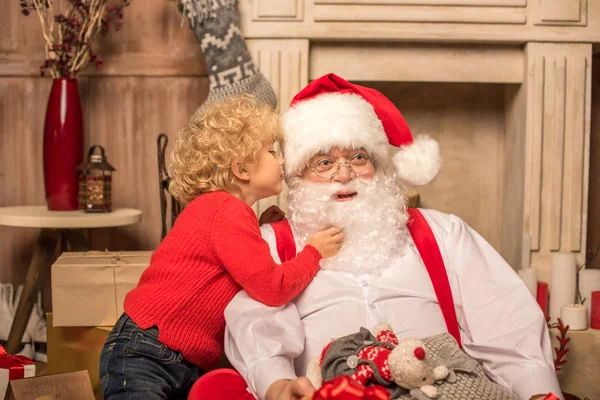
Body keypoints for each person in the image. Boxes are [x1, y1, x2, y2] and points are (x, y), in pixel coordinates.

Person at [221, 74, 563, 400]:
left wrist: (538, 391)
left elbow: (507, 324)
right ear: (298, 178)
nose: (344, 174)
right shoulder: (271, 244)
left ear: (379, 166)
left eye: (358, 157)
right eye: (324, 162)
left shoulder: (444, 232)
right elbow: (256, 328)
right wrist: (278, 386)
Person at [99, 94, 344, 400]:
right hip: (149, 350)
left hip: (172, 355)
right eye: (271, 151)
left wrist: (261, 226)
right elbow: (271, 287)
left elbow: (228, 261)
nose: (281, 159)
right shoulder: (227, 211)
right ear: (242, 168)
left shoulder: (224, 212)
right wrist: (314, 253)